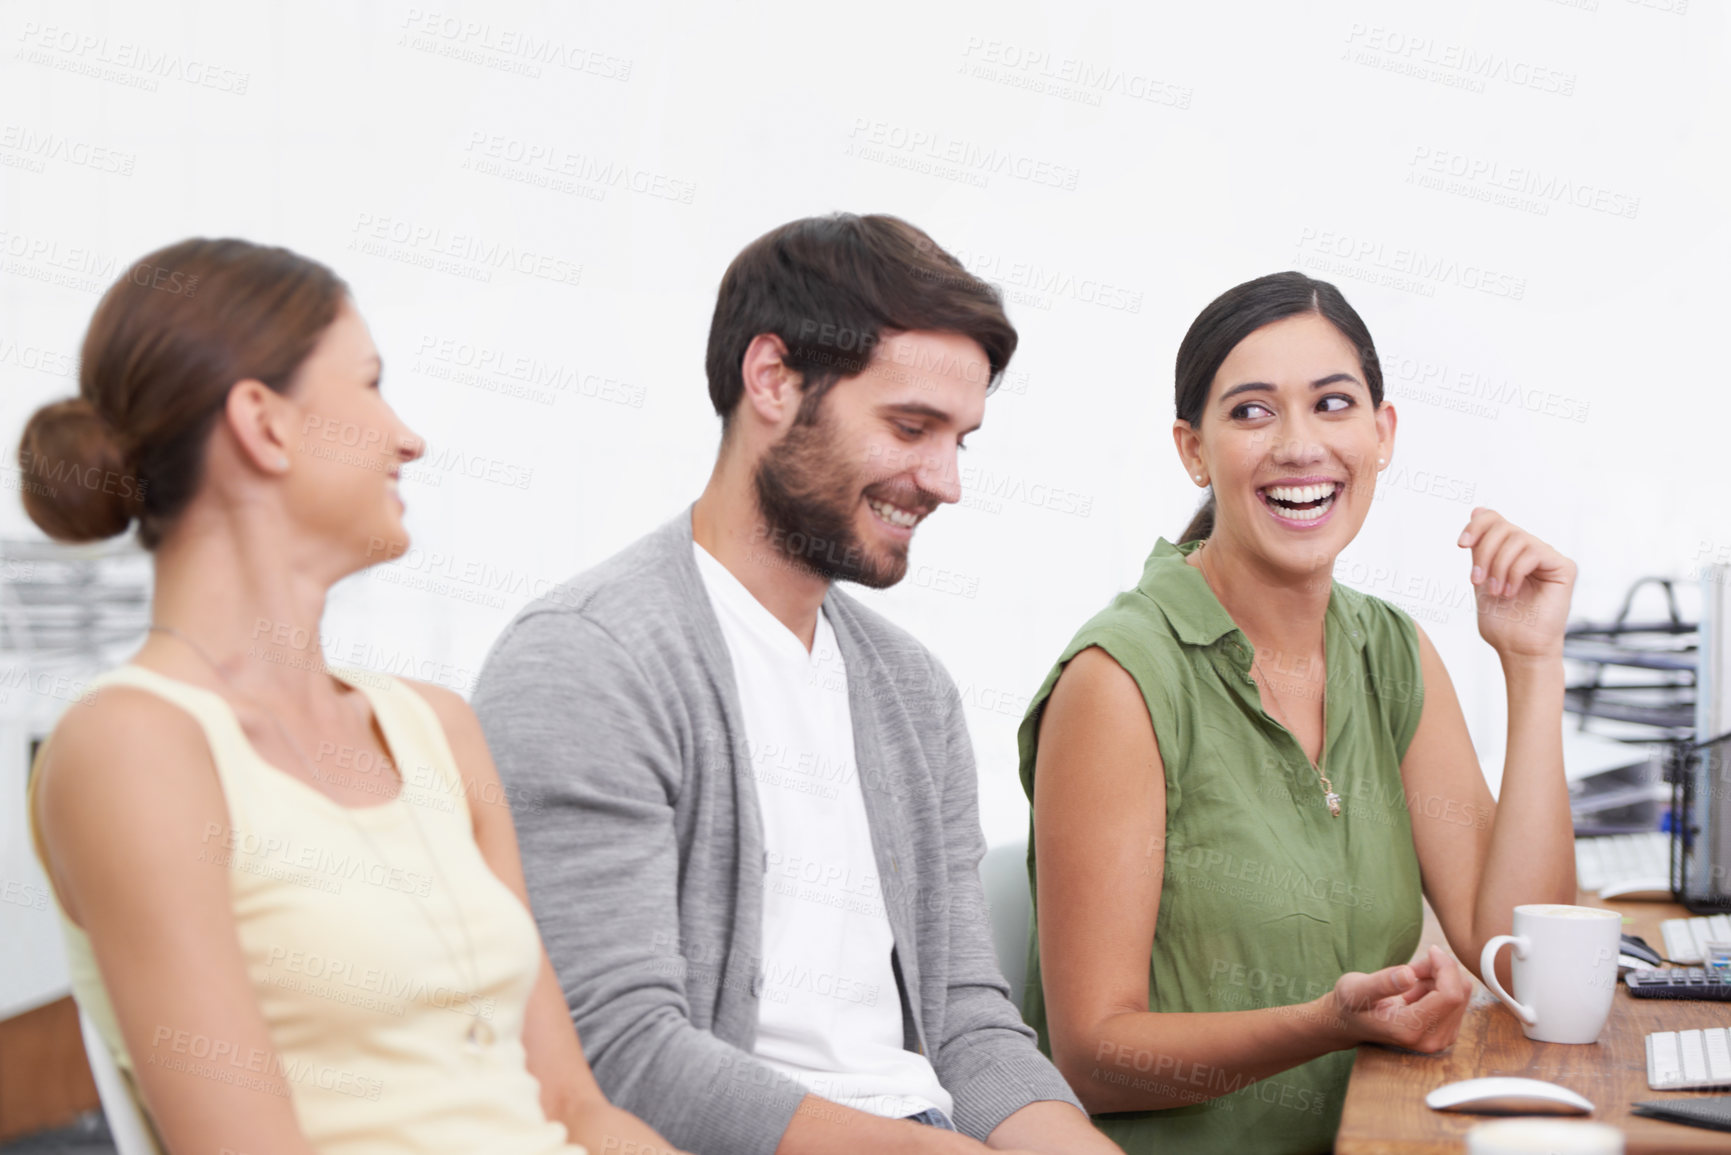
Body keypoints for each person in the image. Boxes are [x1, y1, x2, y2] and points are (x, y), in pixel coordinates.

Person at [472, 213, 1119, 1155]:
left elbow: (968, 1021)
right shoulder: (588, 659)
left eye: (959, 441)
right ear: (771, 379)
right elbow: (613, 1052)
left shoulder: (910, 691)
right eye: (909, 426)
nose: (943, 480)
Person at [23, 238, 688, 1155]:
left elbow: (574, 1107)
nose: (407, 437)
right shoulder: (135, 745)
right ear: (264, 422)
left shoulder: (437, 729)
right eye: (371, 384)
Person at [1016, 271, 1578, 1155]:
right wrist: (1327, 1022)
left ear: (1381, 433)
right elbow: (1091, 1053)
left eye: (1331, 403)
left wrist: (1532, 662)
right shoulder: (1119, 679)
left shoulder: (1388, 652)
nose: (1298, 444)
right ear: (1192, 449)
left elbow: (1528, 960)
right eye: (1249, 412)